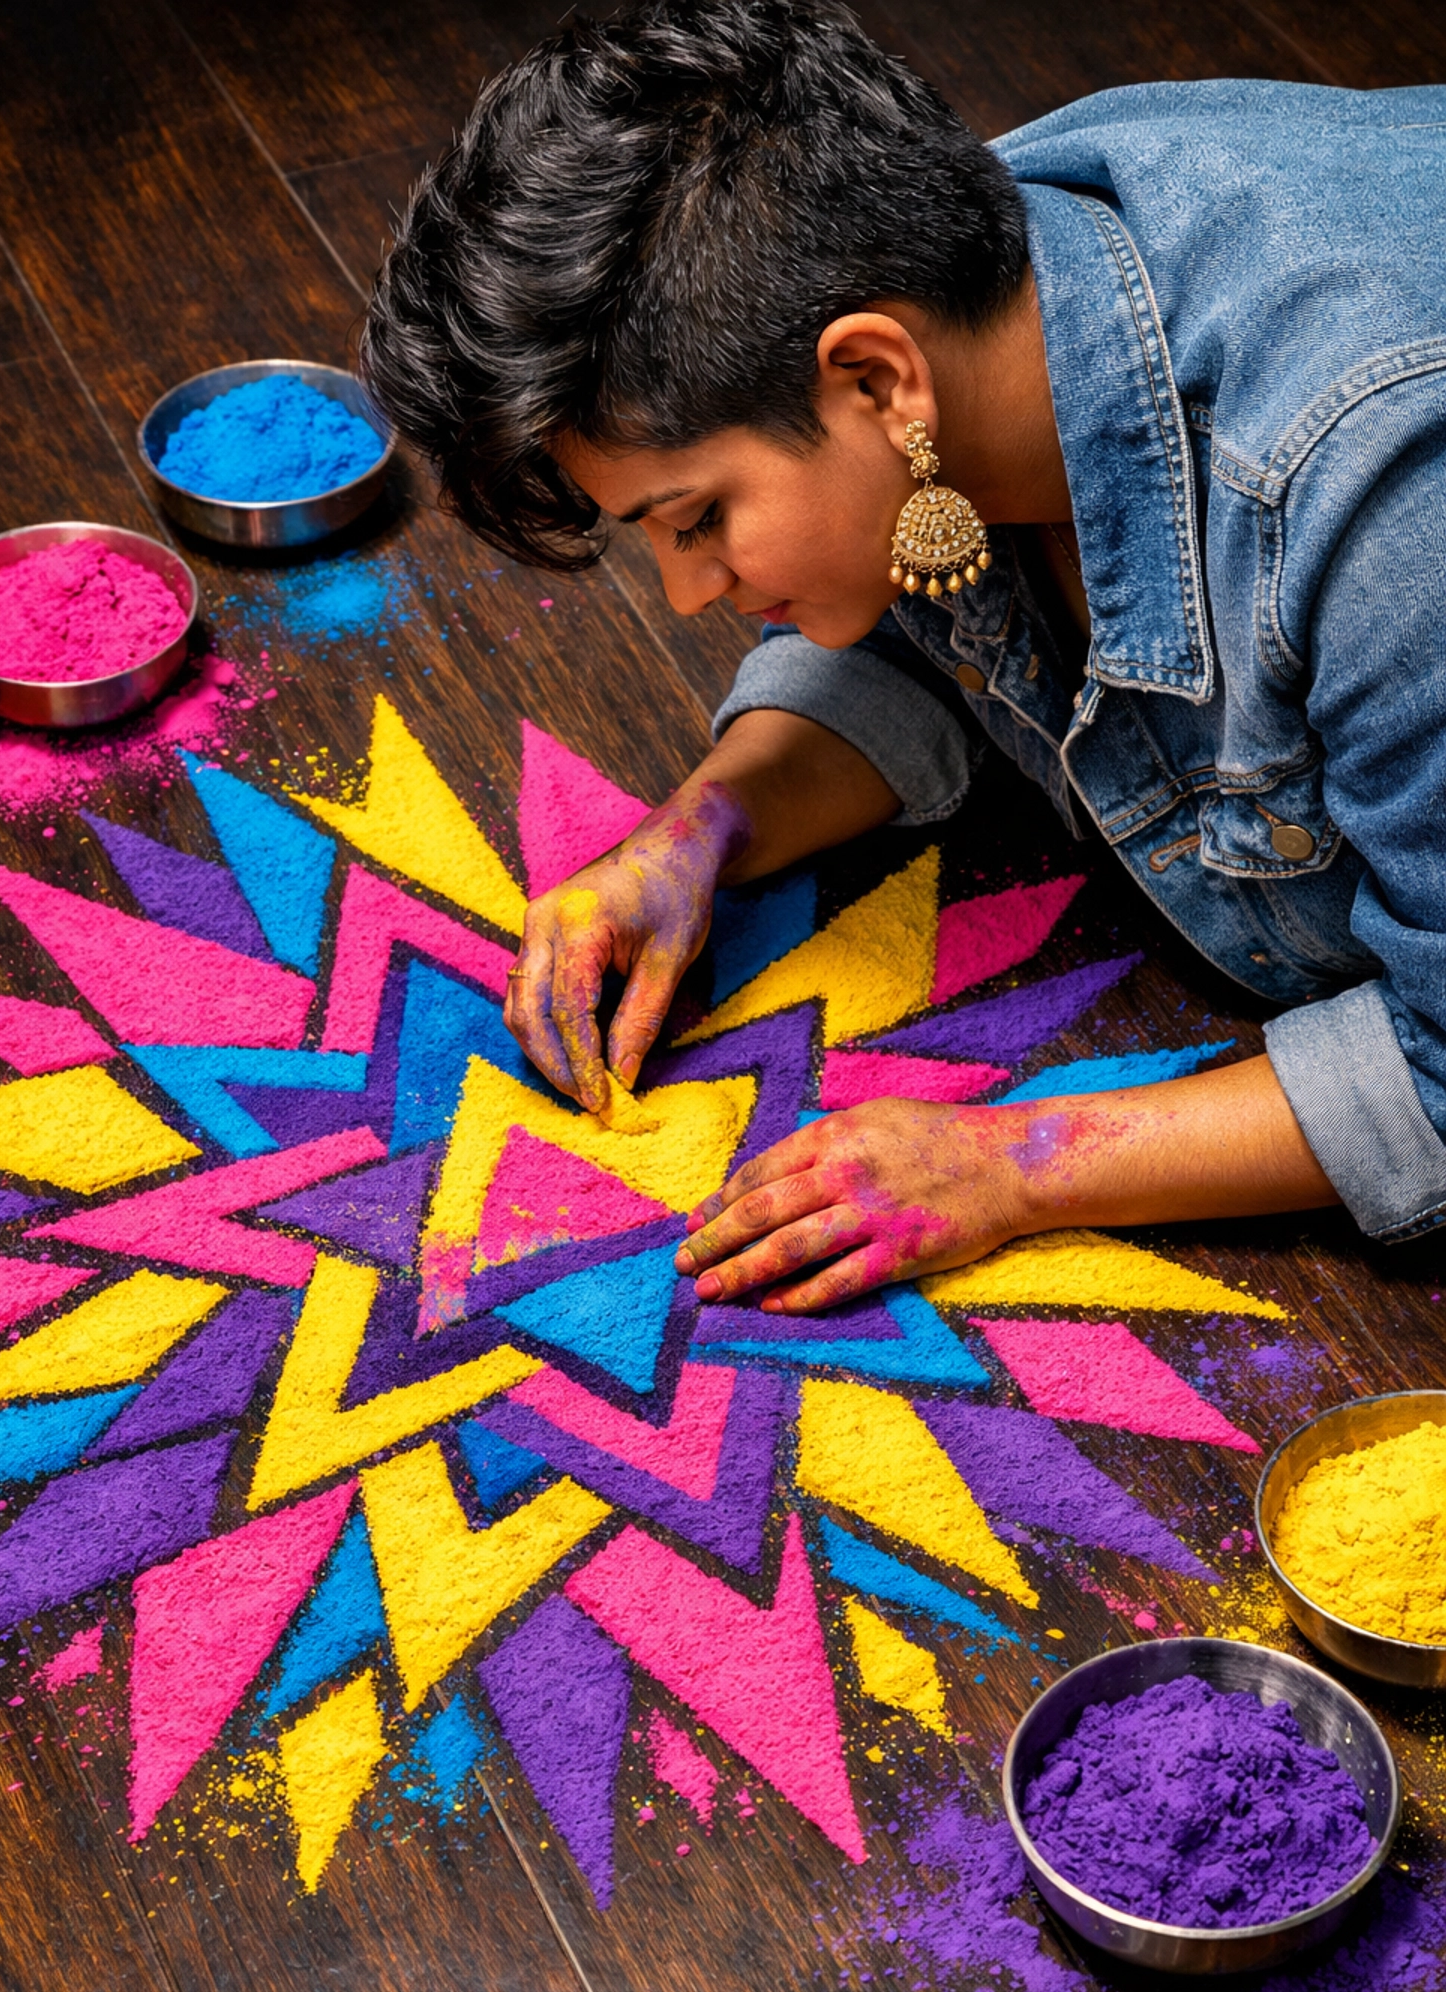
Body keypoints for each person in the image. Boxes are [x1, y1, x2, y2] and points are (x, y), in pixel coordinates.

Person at [361, 0, 1446, 1313]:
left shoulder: (1389, 505)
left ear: (875, 383)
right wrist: (700, 832)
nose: (690, 591)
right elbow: (932, 612)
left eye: (698, 519)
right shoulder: (944, 291)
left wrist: (1015, 1162)